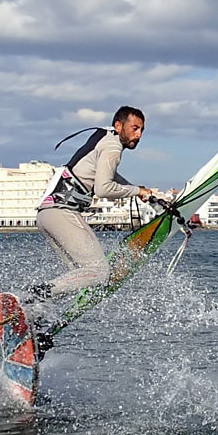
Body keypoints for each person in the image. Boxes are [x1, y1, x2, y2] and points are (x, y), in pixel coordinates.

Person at [30, 105, 153, 304]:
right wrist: (137, 191)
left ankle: (35, 313)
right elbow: (103, 188)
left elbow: (105, 173)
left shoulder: (104, 136)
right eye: (134, 128)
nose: (138, 135)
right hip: (62, 213)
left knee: (81, 278)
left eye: (141, 130)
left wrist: (134, 188)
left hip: (46, 215)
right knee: (99, 272)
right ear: (118, 125)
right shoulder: (113, 147)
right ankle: (35, 295)